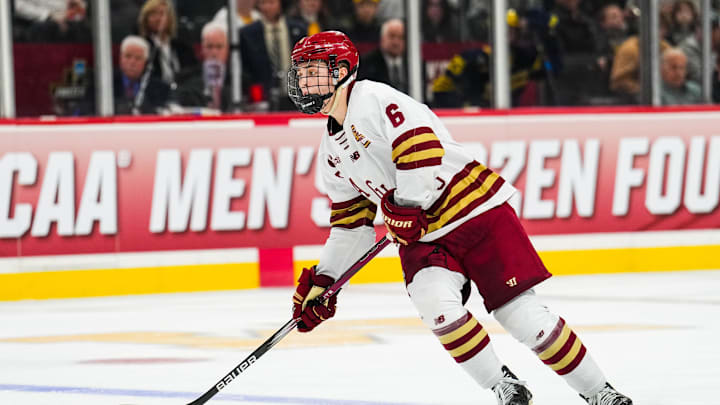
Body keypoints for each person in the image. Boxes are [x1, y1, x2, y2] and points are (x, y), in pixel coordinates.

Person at [286, 30, 634, 405]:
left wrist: (407, 203)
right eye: (300, 71)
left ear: (340, 71)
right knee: (433, 304)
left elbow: (420, 146)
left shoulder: (373, 99)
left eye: (312, 70)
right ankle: (503, 385)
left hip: (476, 214)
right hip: (425, 236)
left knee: (520, 315)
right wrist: (326, 281)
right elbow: (351, 228)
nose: (303, 80)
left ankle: (601, 392)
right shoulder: (331, 153)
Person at [137, 0, 198, 87]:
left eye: (162, 13)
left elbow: (194, 72)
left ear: (170, 18)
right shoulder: (142, 47)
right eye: (153, 14)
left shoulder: (183, 47)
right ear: (146, 19)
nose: (158, 18)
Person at [174, 22, 232, 111]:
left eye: (219, 47)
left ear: (227, 49)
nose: (214, 53)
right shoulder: (185, 79)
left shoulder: (240, 81)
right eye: (209, 47)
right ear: (202, 49)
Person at [114, 35, 170, 115]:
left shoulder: (159, 88)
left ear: (145, 63)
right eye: (128, 56)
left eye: (138, 58)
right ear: (120, 58)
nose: (132, 62)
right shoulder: (105, 86)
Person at [357, 19, 407, 93]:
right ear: (382, 38)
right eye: (392, 36)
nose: (396, 42)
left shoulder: (414, 64)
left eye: (400, 37)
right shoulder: (367, 63)